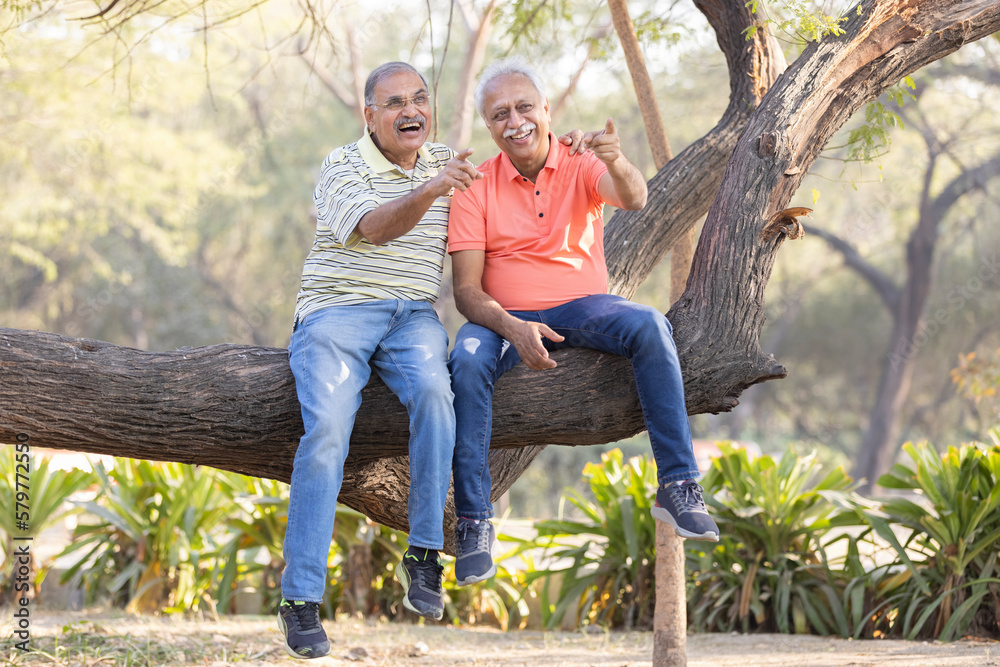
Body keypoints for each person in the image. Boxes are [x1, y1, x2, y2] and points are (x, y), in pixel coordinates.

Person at [447, 56, 720, 587]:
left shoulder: (579, 159)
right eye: (500, 113)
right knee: (465, 359)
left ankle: (679, 483)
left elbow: (635, 198)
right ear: (488, 126)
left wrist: (615, 161)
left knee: (648, 326)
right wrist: (510, 327)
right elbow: (466, 291)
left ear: (546, 109)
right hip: (501, 317)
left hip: (582, 306)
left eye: (525, 106)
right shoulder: (474, 187)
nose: (515, 120)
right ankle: (475, 521)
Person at [279, 61, 482, 659]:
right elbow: (374, 228)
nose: (409, 111)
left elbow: (518, 178)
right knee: (327, 434)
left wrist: (565, 145)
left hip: (413, 318)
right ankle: (299, 600)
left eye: (419, 99)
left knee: (436, 399)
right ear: (369, 115)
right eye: (394, 103)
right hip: (336, 314)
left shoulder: (448, 163)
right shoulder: (343, 165)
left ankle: (423, 555)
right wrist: (433, 187)